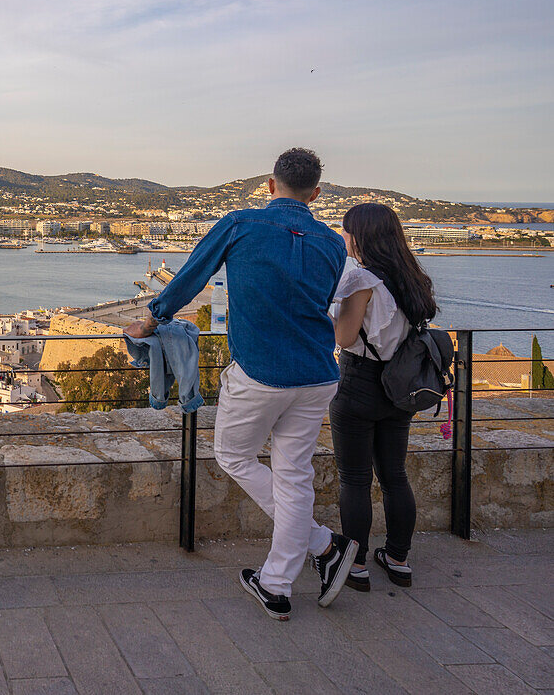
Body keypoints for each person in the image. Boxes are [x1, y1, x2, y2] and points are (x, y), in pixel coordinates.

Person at [126, 148, 358, 621]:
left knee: (233, 455)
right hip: (318, 374)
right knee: (294, 475)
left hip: (262, 371)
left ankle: (320, 545)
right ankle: (285, 575)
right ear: (316, 194)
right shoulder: (333, 244)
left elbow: (191, 274)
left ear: (270, 185)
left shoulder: (241, 224)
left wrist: (154, 318)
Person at [330, 202, 437, 590]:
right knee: (394, 475)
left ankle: (355, 565)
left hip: (359, 383)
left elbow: (344, 337)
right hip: (399, 385)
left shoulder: (361, 280)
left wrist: (326, 315)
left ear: (360, 235)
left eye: (345, 230)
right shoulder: (412, 277)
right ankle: (398, 559)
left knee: (355, 479)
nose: (342, 236)